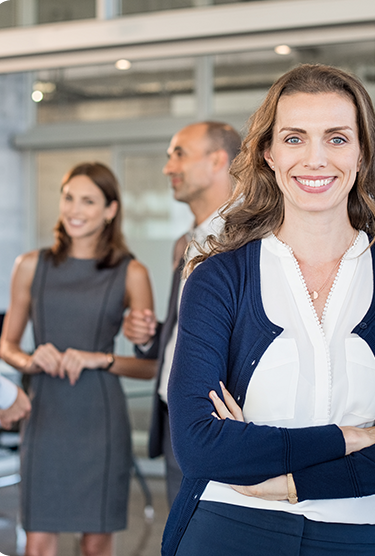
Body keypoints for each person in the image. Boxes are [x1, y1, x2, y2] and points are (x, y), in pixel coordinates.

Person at [162, 64, 375, 556]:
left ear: (363, 153)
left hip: (359, 537)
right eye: (295, 138)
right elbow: (197, 446)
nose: (315, 159)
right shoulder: (218, 278)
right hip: (226, 528)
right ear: (269, 154)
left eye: (337, 138)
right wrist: (356, 437)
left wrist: (290, 480)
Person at [0, 162, 156, 556]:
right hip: (45, 414)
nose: (75, 209)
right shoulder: (30, 266)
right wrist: (32, 360)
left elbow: (151, 366)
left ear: (110, 210)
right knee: (37, 541)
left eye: (89, 200)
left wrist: (98, 358)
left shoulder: (132, 272)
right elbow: (7, 347)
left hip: (100, 421)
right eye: (69, 198)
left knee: (97, 543)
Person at [122, 121, 242, 508]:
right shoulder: (184, 243)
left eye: (179, 154)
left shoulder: (250, 238)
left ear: (217, 161)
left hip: (222, 424)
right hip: (178, 417)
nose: (168, 168)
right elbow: (187, 333)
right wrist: (147, 338)